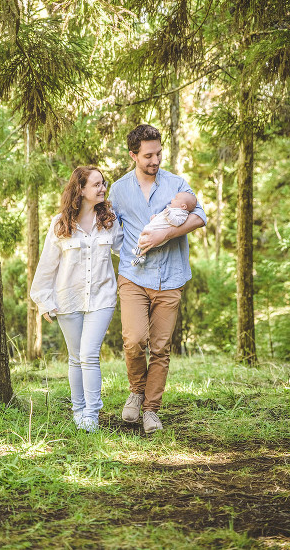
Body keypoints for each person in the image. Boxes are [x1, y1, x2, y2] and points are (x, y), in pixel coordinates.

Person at [108, 124, 206, 434]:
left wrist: (165, 234)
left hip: (171, 277)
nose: (155, 160)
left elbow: (200, 216)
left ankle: (151, 409)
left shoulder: (177, 184)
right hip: (134, 276)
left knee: (161, 348)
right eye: (148, 155)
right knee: (134, 340)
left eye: (159, 153)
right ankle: (136, 391)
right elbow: (110, 229)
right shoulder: (119, 189)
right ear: (133, 155)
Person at [30, 166, 123, 433]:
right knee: (75, 357)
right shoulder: (60, 224)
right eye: (96, 185)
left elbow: (125, 249)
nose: (103, 188)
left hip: (102, 297)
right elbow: (47, 265)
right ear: (81, 189)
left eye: (103, 184)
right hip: (68, 298)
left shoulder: (108, 220)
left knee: (89, 354)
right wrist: (44, 301)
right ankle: (78, 410)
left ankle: (92, 414)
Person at [132, 191, 197, 266]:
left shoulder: (182, 214)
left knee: (144, 239)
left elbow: (177, 222)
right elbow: (162, 218)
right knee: (144, 236)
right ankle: (140, 257)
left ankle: (139, 250)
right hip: (154, 228)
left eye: (176, 199)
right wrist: (155, 217)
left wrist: (169, 215)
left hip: (158, 235)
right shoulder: (172, 210)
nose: (172, 200)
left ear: (183, 206)